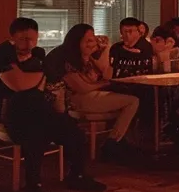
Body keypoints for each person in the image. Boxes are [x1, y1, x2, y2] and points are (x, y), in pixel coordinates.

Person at [0, 18, 105, 192]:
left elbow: (38, 86)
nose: (28, 44)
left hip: (37, 106)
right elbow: (18, 84)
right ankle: (33, 184)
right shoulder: (2, 53)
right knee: (35, 132)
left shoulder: (38, 53)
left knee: (73, 131)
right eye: (23, 39)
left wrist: (34, 77)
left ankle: (77, 175)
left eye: (32, 39)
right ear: (12, 37)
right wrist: (40, 74)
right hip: (10, 110)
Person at [52, 24, 141, 156]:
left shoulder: (87, 57)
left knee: (131, 98)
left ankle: (118, 141)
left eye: (93, 39)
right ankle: (113, 143)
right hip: (74, 101)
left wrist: (106, 50)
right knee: (132, 101)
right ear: (77, 41)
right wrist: (102, 84)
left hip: (89, 95)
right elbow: (82, 88)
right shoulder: (66, 59)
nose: (92, 43)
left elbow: (106, 73)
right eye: (88, 40)